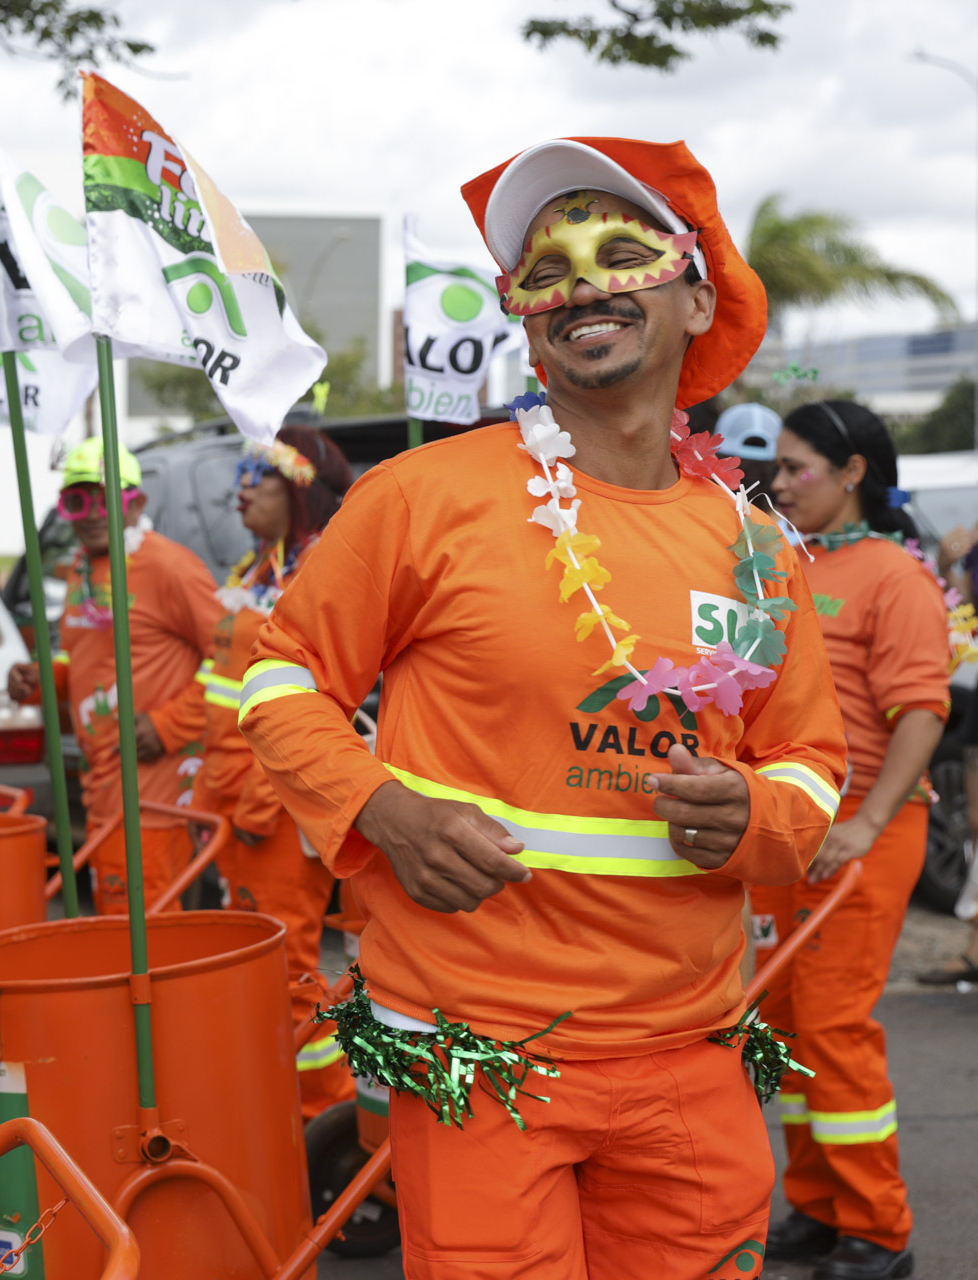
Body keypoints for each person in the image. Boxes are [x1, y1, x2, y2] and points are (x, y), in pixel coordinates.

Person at [241, 138, 849, 1280]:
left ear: (696, 292)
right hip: (481, 1053)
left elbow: (812, 758)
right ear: (524, 317)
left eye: (622, 254)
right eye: (547, 268)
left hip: (692, 1053)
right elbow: (282, 681)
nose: (582, 284)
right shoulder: (418, 497)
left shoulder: (760, 548)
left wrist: (757, 813)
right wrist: (383, 809)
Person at [752, 400, 947, 1279]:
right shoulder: (779, 561)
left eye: (799, 469)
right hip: (794, 829)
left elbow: (923, 714)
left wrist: (865, 822)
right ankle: (821, 1205)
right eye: (780, 469)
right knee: (786, 1026)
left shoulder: (894, 577)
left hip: (866, 826)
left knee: (832, 1027)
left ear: (853, 474)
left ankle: (879, 1228)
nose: (781, 483)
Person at [192, 425, 355, 1118]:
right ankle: (275, 1111)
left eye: (257, 475)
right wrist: (204, 786)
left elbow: (326, 699)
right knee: (258, 972)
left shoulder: (321, 570)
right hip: (233, 808)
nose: (241, 490)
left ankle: (329, 1123)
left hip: (282, 811)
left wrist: (264, 797)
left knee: (289, 971)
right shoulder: (251, 571)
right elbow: (220, 689)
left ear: (296, 489)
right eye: (241, 474)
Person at [6, 437, 223, 915]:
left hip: (156, 789)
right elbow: (81, 659)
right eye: (77, 500)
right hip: (102, 785)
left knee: (151, 931)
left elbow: (234, 656)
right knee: (116, 922)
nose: (92, 513)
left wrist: (169, 725)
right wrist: (38, 680)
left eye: (107, 499)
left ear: (136, 502)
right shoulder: (81, 568)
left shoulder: (168, 566)